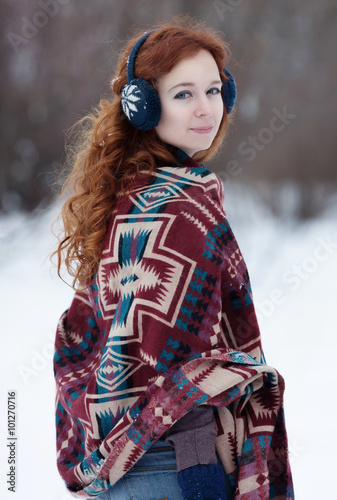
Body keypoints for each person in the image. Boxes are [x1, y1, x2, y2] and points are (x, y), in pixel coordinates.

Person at [52, 16, 294, 500]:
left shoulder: (131, 196)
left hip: (126, 468)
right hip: (177, 466)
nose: (206, 109)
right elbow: (175, 362)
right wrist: (199, 469)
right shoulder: (181, 207)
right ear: (142, 106)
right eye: (183, 94)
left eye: (213, 90)